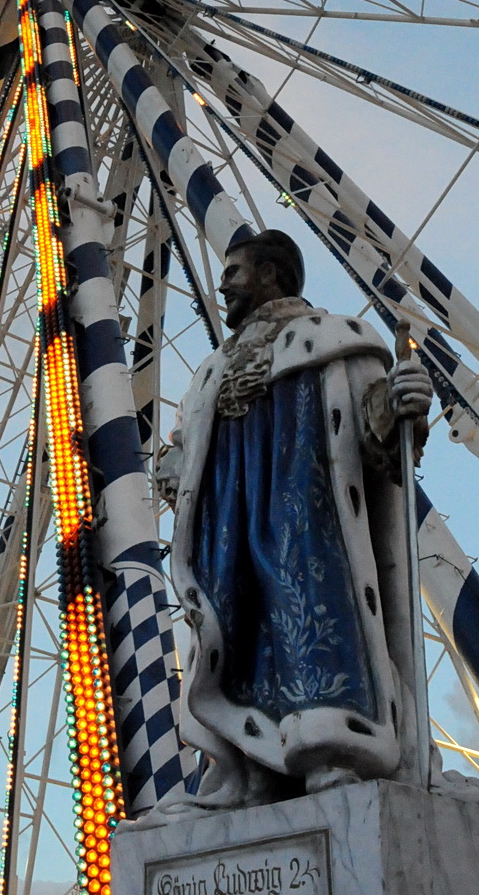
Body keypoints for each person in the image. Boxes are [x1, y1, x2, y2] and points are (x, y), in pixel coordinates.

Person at [161, 230, 433, 810]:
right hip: (228, 534)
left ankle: (331, 754)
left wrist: (400, 403)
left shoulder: (332, 342)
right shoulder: (212, 371)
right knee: (239, 643)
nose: (223, 283)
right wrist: (175, 465)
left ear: (271, 275)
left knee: (310, 626)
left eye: (234, 271)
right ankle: (254, 769)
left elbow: (377, 438)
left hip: (303, 522)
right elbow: (187, 453)